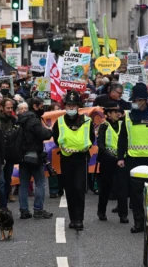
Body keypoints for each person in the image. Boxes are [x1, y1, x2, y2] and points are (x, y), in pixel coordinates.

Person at [117, 83, 148, 233]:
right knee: (136, 195)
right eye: (134, 100)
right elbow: (122, 139)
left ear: (145, 100)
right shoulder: (128, 118)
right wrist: (120, 157)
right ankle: (139, 223)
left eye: (137, 100)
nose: (134, 103)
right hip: (134, 160)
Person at [52, 91, 96, 231]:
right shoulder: (59, 121)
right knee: (69, 190)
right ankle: (73, 219)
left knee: (79, 188)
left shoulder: (87, 121)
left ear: (78, 106)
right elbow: (56, 137)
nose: (71, 108)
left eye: (73, 105)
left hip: (81, 159)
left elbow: (91, 137)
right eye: (69, 105)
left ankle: (79, 219)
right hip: (66, 158)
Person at [16, 97, 54, 220]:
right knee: (40, 183)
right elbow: (43, 134)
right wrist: (49, 131)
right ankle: (38, 210)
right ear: (35, 106)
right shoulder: (33, 120)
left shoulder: (22, 118)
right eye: (41, 106)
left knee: (23, 184)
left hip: (22, 155)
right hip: (34, 155)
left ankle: (24, 210)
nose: (43, 108)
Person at [96, 102, 129, 224]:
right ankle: (101, 211)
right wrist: (109, 156)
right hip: (107, 161)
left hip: (121, 160)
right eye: (115, 112)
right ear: (108, 114)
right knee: (105, 187)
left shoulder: (123, 124)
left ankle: (123, 215)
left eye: (118, 112)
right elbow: (101, 144)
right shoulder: (103, 126)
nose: (118, 114)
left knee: (122, 188)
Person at [0, 98, 17, 209]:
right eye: (8, 108)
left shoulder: (14, 120)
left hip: (10, 153)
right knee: (1, 180)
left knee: (8, 177)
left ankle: (5, 199)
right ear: (2, 108)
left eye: (11, 108)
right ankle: (2, 203)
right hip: (0, 154)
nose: (10, 110)